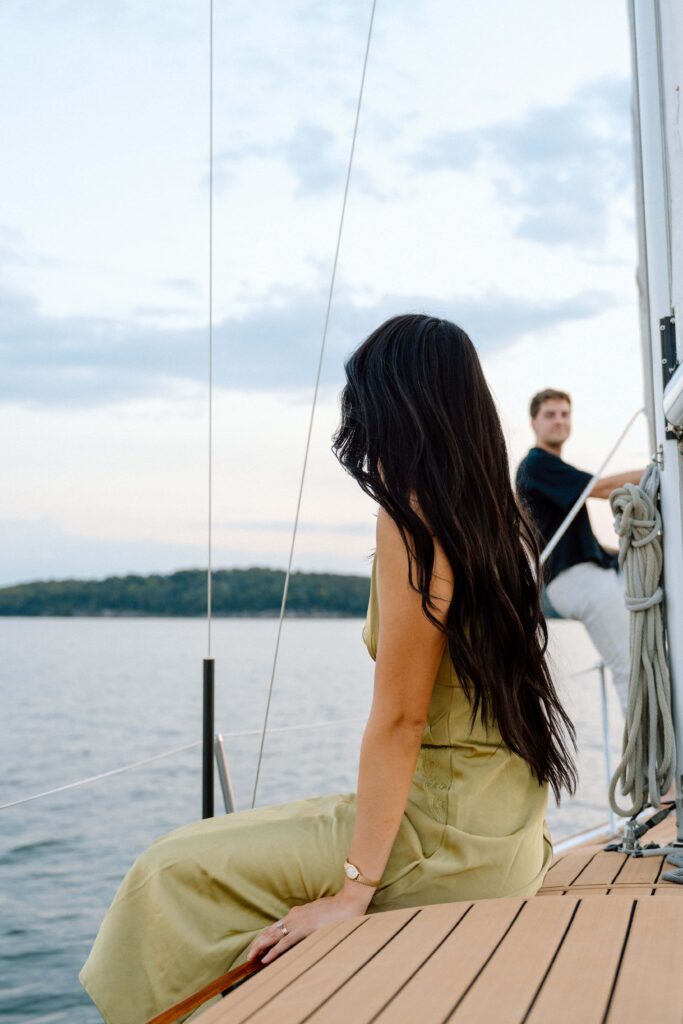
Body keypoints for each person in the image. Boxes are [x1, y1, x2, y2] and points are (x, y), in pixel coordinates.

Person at [80, 316, 576, 1024]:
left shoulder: (412, 520)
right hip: (505, 834)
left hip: (442, 844)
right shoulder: (500, 522)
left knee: (169, 872)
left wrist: (353, 890)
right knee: (232, 848)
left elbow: (401, 718)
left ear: (398, 404)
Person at [515, 388, 642, 716]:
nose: (559, 421)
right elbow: (598, 488)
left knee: (641, 659)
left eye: (564, 414)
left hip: (586, 573)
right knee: (630, 669)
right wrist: (657, 470)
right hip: (577, 579)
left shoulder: (549, 469)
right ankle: (652, 762)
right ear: (534, 422)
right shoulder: (537, 465)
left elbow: (580, 540)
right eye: (550, 415)